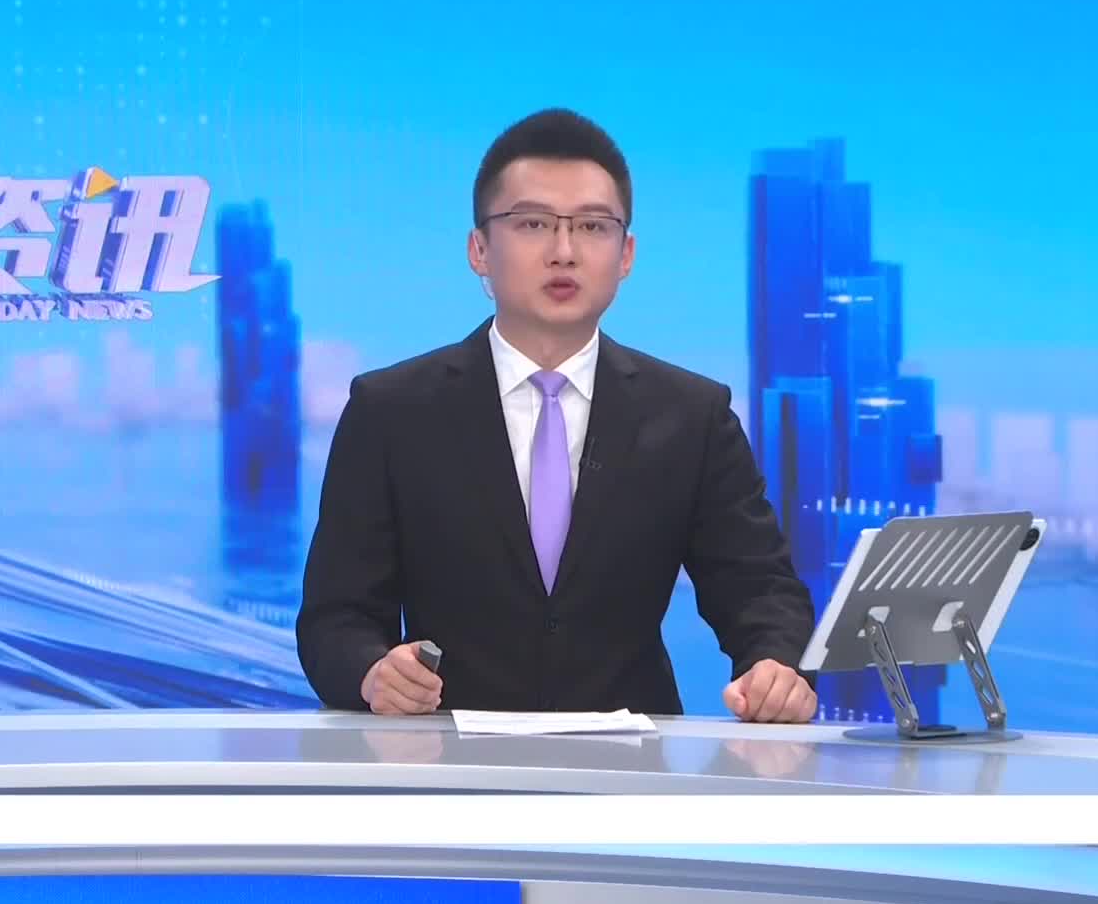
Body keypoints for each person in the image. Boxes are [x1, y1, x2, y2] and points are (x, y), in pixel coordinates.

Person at [295, 108, 818, 723]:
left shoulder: (693, 416)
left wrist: (776, 665)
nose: (564, 251)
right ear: (479, 249)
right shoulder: (391, 411)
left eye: (593, 227)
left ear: (626, 254)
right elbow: (336, 619)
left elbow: (761, 591)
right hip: (446, 763)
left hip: (635, 767)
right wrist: (372, 671)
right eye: (533, 224)